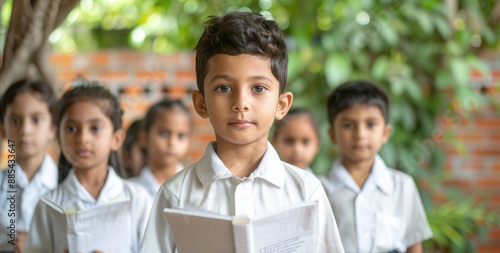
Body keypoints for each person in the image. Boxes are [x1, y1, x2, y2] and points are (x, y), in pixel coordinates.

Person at [139, 11, 344, 252]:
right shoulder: (176, 195)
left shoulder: (307, 192)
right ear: (201, 103)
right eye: (224, 88)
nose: (241, 103)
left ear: (281, 105)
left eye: (258, 88)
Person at [25, 84, 151, 253]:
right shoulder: (49, 205)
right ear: (59, 138)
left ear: (117, 138)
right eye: (71, 128)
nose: (83, 138)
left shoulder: (137, 200)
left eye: (95, 128)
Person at [320, 80, 433, 253]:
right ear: (332, 135)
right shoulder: (318, 189)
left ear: (385, 133)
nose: (361, 135)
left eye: (371, 124)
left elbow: (413, 244)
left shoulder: (402, 186)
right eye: (348, 125)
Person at [0, 79, 58, 253]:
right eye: (15, 120)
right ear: (3, 130)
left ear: (52, 129)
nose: (25, 130)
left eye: (37, 119)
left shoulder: (67, 184)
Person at [130, 99, 192, 200]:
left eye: (181, 136)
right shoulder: (129, 191)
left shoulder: (197, 188)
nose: (172, 142)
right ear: (144, 138)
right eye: (164, 133)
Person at [272, 107, 320, 174]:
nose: (297, 150)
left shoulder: (321, 183)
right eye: (289, 141)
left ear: (318, 144)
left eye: (305, 142)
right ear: (273, 143)